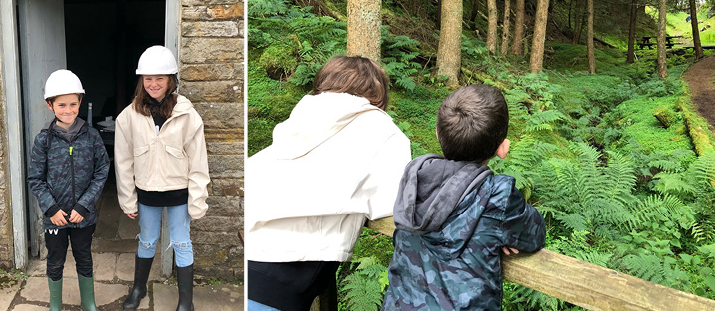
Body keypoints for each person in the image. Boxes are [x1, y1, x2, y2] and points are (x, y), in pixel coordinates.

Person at [246, 56, 412, 311]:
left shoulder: (301, 116)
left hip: (252, 254)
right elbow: (396, 204)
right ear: (378, 95)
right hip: (290, 273)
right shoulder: (383, 130)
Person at [382, 84, 546, 311]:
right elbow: (535, 234)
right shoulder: (497, 197)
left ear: (437, 134)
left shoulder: (415, 177)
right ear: (502, 149)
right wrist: (504, 233)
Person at [115, 46, 210, 311]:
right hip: (147, 192)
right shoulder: (129, 116)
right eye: (148, 78)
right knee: (147, 239)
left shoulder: (186, 114)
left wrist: (198, 199)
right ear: (141, 81)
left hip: (179, 192)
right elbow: (123, 162)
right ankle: (138, 288)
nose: (153, 84)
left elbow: (199, 160)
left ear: (171, 80)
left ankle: (186, 302)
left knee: (181, 241)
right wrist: (128, 199)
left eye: (160, 78)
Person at [28, 69, 110, 311]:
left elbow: (102, 171)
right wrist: (51, 208)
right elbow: (35, 178)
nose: (68, 110)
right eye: (61, 105)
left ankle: (89, 302)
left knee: (84, 258)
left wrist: (85, 205)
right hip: (56, 219)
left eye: (73, 104)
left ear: (80, 102)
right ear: (50, 105)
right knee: (55, 261)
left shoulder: (92, 137)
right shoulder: (44, 140)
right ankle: (55, 305)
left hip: (83, 217)